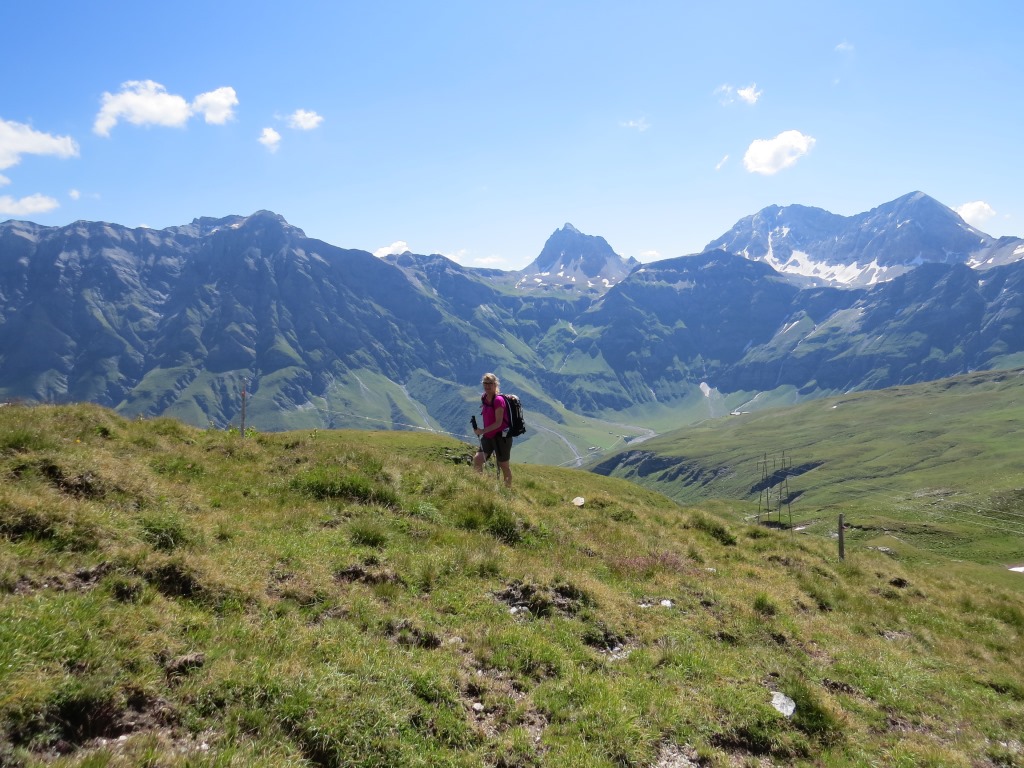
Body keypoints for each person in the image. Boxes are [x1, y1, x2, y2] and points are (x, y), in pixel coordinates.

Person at [473, 372, 513, 488]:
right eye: (485, 383)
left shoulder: (498, 400)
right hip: (489, 436)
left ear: (495, 384)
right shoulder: (484, 398)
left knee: (504, 465)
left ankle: (507, 492)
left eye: (490, 383)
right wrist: (484, 431)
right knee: (478, 460)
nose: (487, 386)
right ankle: (479, 487)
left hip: (502, 437)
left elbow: (498, 423)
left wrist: (482, 431)